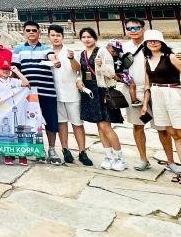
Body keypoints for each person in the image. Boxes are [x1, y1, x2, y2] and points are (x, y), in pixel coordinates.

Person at [141, 30, 181, 185]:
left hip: (173, 93)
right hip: (157, 95)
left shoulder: (171, 57)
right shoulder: (147, 60)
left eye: (156, 40)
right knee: (174, 135)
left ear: (162, 42)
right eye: (149, 41)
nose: (153, 43)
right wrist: (145, 104)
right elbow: (147, 84)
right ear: (146, 44)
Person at [123, 19, 181, 173]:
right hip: (134, 91)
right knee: (138, 125)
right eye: (129, 28)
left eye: (136, 27)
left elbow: (170, 60)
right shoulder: (124, 47)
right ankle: (143, 159)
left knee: (162, 127)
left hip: (156, 90)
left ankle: (170, 161)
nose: (133, 31)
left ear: (143, 29)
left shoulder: (152, 44)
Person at [11, 21, 62, 165]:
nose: (31, 32)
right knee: (30, 122)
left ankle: (52, 149)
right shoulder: (18, 49)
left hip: (46, 90)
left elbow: (52, 57)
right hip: (27, 94)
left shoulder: (45, 48)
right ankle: (37, 149)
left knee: (51, 121)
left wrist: (55, 61)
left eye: (34, 30)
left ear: (39, 32)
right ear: (24, 32)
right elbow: (15, 69)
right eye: (28, 30)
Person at [77, 27, 126, 171]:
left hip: (102, 91)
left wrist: (101, 65)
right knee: (99, 126)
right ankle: (109, 156)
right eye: (84, 37)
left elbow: (112, 74)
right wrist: (78, 80)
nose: (86, 39)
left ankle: (120, 158)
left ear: (95, 38)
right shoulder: (82, 53)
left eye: (89, 37)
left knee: (106, 126)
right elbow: (80, 72)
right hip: (90, 92)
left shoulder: (103, 52)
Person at [47, 24, 91, 166]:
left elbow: (78, 69)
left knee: (77, 123)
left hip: (72, 93)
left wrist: (71, 58)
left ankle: (82, 151)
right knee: (61, 123)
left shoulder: (70, 51)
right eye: (53, 35)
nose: (56, 38)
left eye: (58, 35)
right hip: (56, 94)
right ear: (49, 37)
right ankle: (65, 149)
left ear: (63, 37)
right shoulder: (47, 53)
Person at [0, 60, 28, 165]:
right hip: (4, 111)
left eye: (7, 69)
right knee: (7, 132)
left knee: (19, 130)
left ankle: (22, 155)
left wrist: (17, 71)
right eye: (3, 69)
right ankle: (8, 154)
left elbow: (26, 83)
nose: (5, 71)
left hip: (17, 111)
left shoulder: (14, 81)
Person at [107, 39, 139, 105]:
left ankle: (134, 100)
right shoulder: (104, 56)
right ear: (108, 47)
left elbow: (126, 59)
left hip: (121, 73)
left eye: (117, 51)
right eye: (113, 51)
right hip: (112, 74)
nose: (115, 53)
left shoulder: (119, 55)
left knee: (132, 84)